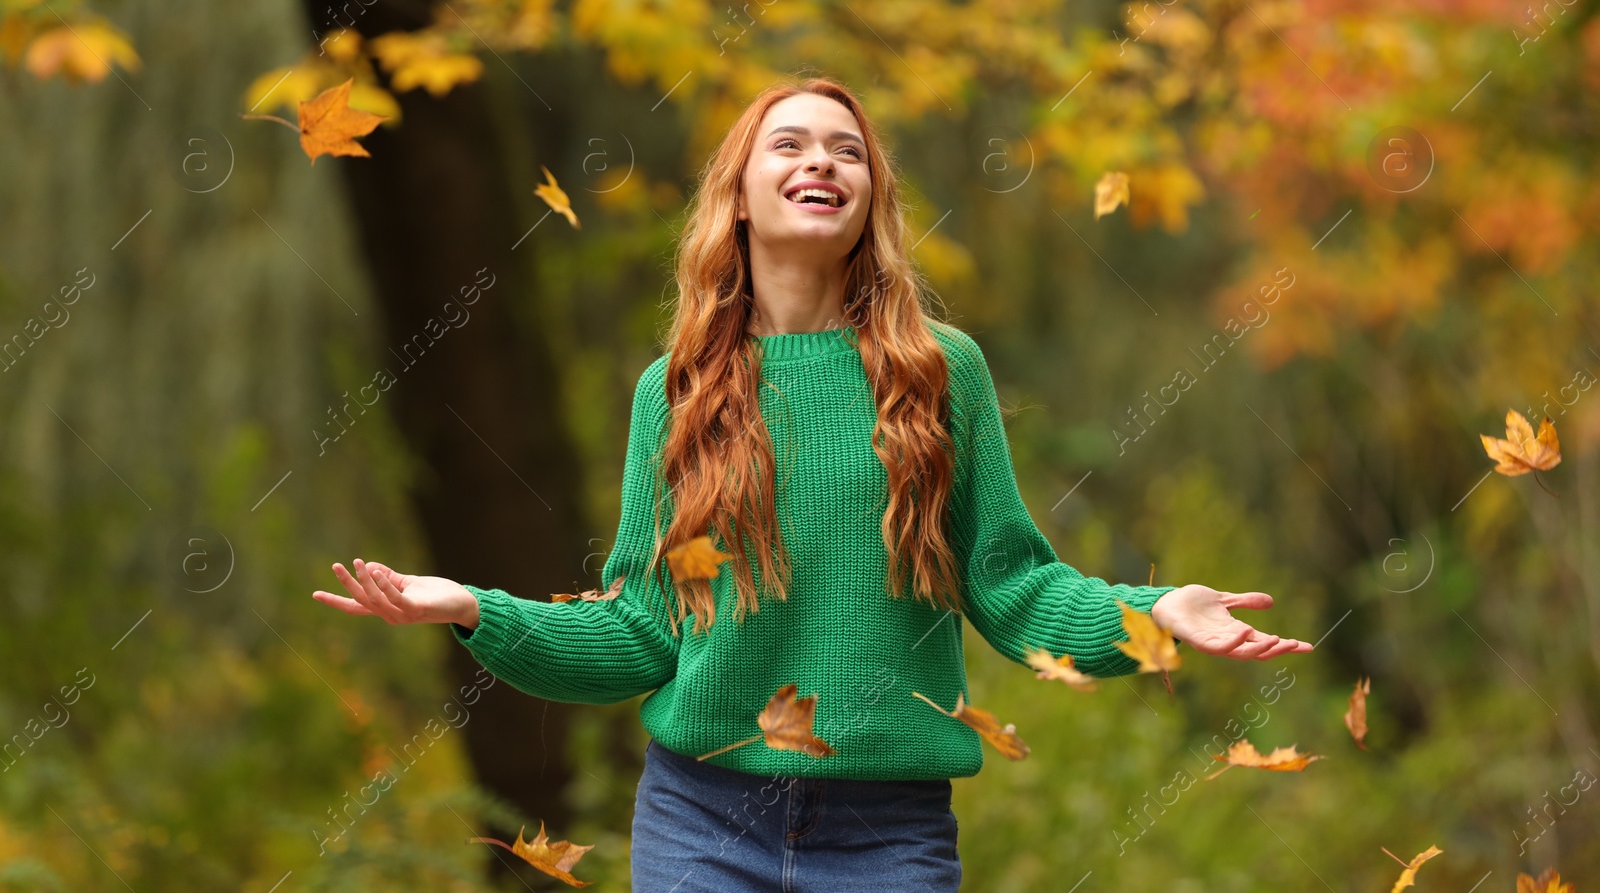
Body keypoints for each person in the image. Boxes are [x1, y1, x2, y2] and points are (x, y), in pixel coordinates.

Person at [313, 76, 1312, 891]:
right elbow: (638, 633)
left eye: (846, 149)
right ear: (738, 192)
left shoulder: (936, 370)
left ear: (868, 196)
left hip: (889, 832)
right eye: (788, 144)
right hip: (698, 822)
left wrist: (1152, 611)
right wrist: (474, 609)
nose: (821, 160)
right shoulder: (676, 391)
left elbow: (1009, 584)